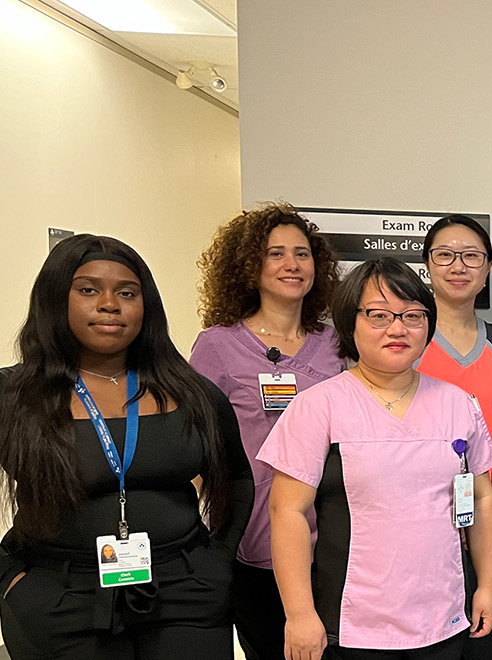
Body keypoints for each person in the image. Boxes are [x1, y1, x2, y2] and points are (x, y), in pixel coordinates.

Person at [0, 234, 253, 660]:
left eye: (127, 293)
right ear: (56, 299)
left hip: (185, 591)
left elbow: (238, 477)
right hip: (58, 596)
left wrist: (217, 558)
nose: (110, 304)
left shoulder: (190, 391)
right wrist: (8, 578)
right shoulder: (9, 394)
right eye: (88, 290)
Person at [260, 258, 492, 660]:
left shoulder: (458, 404)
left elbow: (481, 498)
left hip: (442, 618)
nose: (397, 328)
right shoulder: (318, 406)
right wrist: (299, 614)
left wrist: (488, 586)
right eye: (379, 314)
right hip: (354, 626)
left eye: (412, 315)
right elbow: (286, 512)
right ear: (349, 323)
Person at [189, 204, 344, 660]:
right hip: (253, 537)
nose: (291, 264)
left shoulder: (338, 344)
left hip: (333, 538)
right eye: (275, 253)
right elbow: (196, 444)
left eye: (302, 253)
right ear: (249, 266)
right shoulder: (217, 345)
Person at [416, 214, 492, 660]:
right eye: (445, 255)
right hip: (422, 522)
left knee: (486, 643)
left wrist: (489, 510)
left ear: (486, 268)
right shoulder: (407, 340)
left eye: (471, 256)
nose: (458, 266)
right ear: (428, 265)